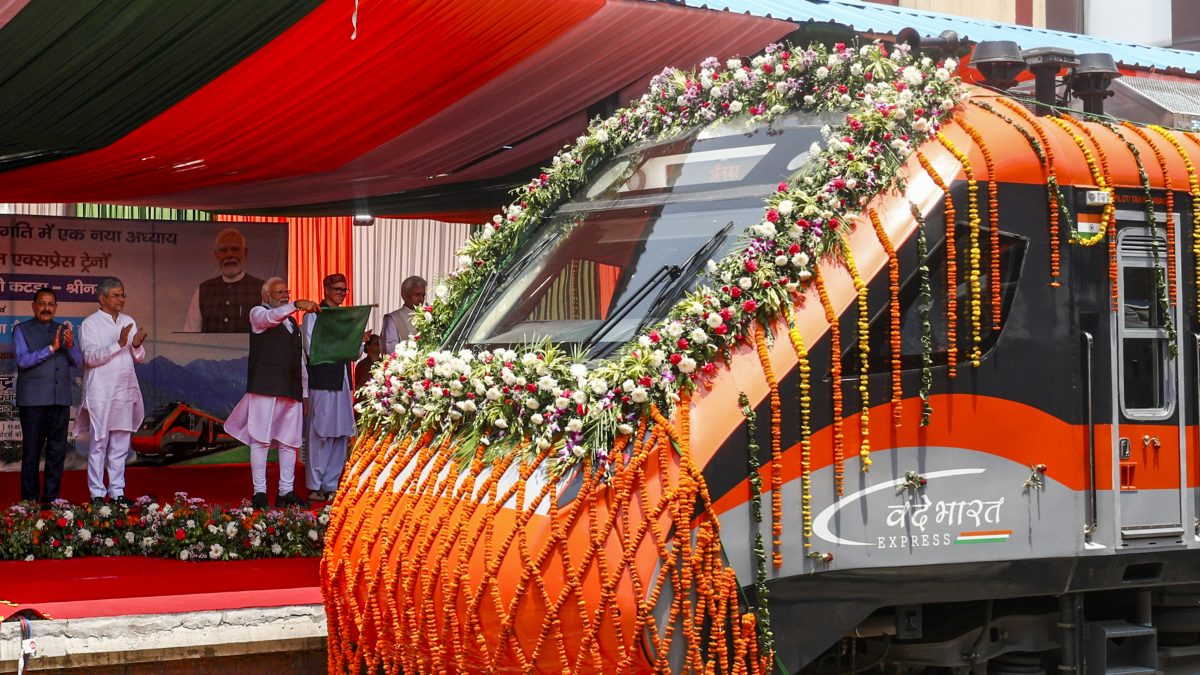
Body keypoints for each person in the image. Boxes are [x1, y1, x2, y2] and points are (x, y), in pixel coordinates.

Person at [224, 277, 319, 509]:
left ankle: (286, 491)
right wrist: (295, 305)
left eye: (286, 292)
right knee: (261, 441)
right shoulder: (258, 314)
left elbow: (300, 361)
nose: (284, 295)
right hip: (265, 389)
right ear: (266, 296)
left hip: (291, 389)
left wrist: (305, 391)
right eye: (279, 292)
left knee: (289, 443)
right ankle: (260, 493)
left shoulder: (291, 325)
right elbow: (269, 318)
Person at [79, 278, 147, 506]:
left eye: (123, 295)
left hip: (124, 391)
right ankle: (97, 494)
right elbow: (90, 357)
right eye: (117, 295)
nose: (122, 299)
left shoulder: (129, 321)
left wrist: (136, 345)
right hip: (100, 392)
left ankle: (117, 492)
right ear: (103, 298)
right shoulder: (90, 324)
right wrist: (119, 344)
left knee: (120, 445)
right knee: (99, 444)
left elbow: (139, 358)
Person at [14, 288, 83, 505]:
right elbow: (23, 360)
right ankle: (29, 499)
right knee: (32, 452)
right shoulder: (21, 330)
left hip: (60, 400)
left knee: (57, 451)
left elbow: (78, 362)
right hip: (33, 402)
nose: (46, 308)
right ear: (33, 306)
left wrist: (70, 346)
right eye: (42, 303)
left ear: (56, 307)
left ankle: (51, 498)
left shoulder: (63, 329)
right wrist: (52, 348)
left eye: (51, 304)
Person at [303, 273, 359, 504]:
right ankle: (314, 485)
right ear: (325, 289)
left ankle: (331, 483)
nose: (341, 294)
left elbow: (354, 352)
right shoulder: (314, 316)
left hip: (343, 380)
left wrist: (358, 342)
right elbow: (311, 347)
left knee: (340, 433)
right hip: (323, 379)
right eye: (337, 289)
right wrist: (342, 345)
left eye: (344, 290)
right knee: (321, 433)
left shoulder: (345, 317)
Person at [182, 227, 266, 333]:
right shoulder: (203, 290)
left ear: (245, 252)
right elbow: (191, 333)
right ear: (216, 255)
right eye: (224, 250)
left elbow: (270, 334)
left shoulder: (263, 289)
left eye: (235, 249)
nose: (230, 255)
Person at [382, 275, 426, 355]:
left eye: (423, 295)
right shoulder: (393, 318)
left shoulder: (427, 317)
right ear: (404, 295)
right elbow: (390, 351)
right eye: (417, 294)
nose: (421, 299)